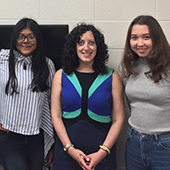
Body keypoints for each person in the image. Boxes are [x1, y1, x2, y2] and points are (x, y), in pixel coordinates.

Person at [51, 23, 124, 170]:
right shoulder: (61, 75)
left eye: (91, 43)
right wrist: (70, 149)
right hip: (67, 152)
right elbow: (56, 115)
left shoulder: (112, 77)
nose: (86, 48)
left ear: (98, 47)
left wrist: (102, 153)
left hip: (102, 154)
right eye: (81, 43)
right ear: (74, 47)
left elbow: (118, 119)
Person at [0, 18, 56, 170]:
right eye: (21, 36)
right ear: (14, 38)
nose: (26, 41)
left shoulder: (47, 65)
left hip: (36, 136)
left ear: (37, 39)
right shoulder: (2, 59)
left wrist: (50, 143)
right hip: (9, 136)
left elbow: (50, 103)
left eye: (31, 36)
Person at [120, 15, 170, 170]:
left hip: (164, 144)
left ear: (156, 38)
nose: (139, 43)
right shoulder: (128, 67)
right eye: (134, 38)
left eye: (146, 37)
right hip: (133, 140)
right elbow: (131, 103)